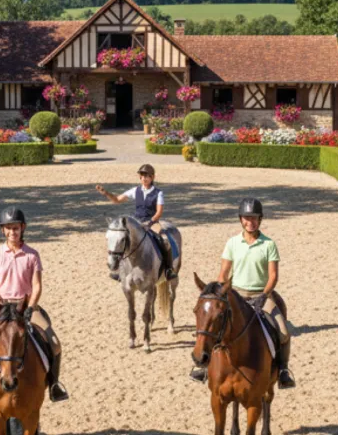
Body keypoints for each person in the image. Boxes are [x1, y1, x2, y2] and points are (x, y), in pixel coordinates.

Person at [0, 207, 69, 404]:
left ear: (23, 228)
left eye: (15, 228)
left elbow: (37, 287)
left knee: (55, 343)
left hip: (25, 307)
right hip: (1, 308)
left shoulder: (32, 255)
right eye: (8, 228)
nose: (12, 232)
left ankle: (54, 385)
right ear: (3, 230)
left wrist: (29, 308)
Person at [190, 198, 295, 389]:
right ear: (241, 219)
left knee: (283, 331)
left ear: (260, 220)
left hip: (261, 295)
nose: (250, 222)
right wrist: (221, 293)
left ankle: (283, 370)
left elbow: (273, 276)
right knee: (213, 326)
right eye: (247, 218)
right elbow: (223, 273)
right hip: (235, 294)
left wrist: (264, 295)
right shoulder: (232, 243)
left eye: (254, 218)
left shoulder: (269, 244)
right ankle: (203, 367)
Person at [95, 163, 174, 280]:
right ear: (140, 178)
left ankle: (168, 270)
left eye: (147, 176)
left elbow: (159, 212)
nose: (144, 178)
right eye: (142, 176)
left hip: (152, 222)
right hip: (136, 222)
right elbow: (117, 200)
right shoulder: (135, 190)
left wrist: (150, 222)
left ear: (152, 177)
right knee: (122, 240)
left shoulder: (158, 193)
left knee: (165, 241)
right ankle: (119, 271)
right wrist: (106, 193)